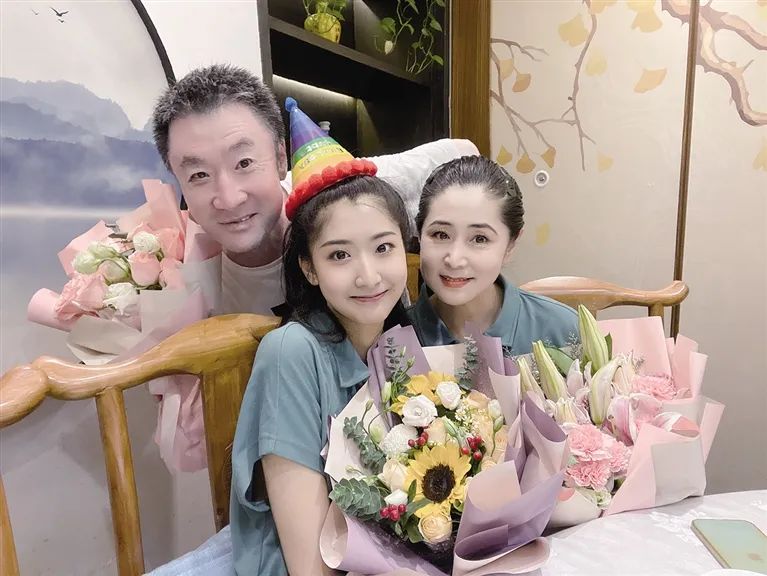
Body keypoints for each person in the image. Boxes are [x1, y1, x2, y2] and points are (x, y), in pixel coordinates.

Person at [229, 99, 412, 575]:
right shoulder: (290, 352)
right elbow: (309, 565)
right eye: (339, 256)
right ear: (308, 268)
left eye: (383, 247)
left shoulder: (400, 344)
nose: (368, 276)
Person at [151, 64, 478, 316]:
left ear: (281, 158)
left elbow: (463, 153)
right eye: (199, 175)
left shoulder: (342, 197)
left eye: (244, 163)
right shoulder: (175, 269)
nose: (229, 198)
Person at [409, 155, 578, 356]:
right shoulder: (390, 337)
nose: (454, 260)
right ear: (419, 235)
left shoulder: (564, 331)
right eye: (441, 235)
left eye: (480, 239)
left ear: (510, 245)